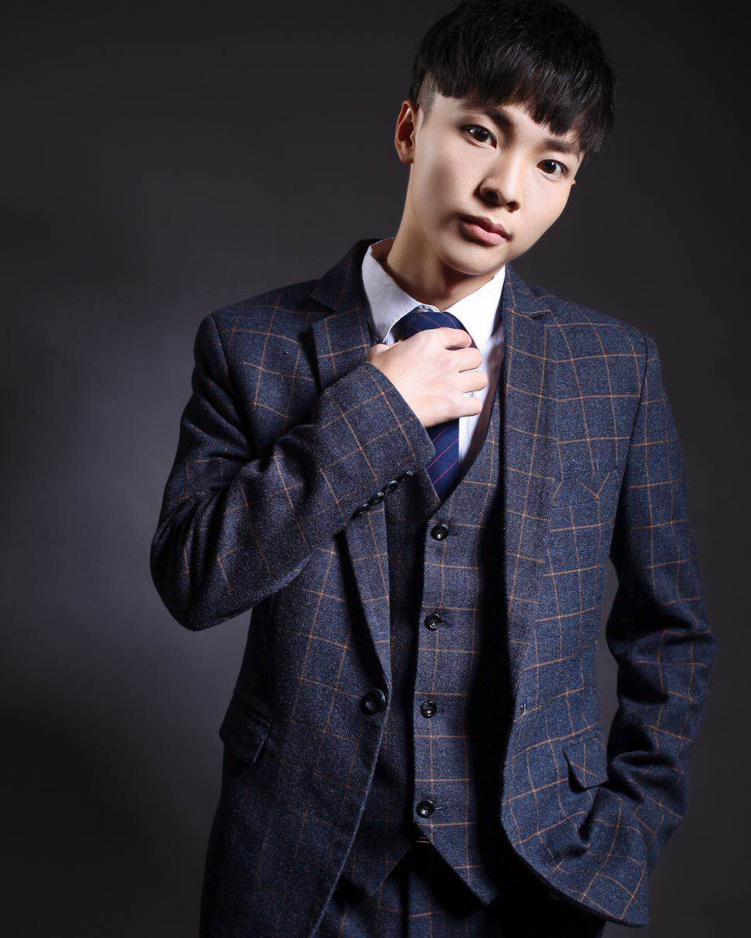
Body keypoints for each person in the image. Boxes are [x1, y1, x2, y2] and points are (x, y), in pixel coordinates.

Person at [149, 1, 718, 935]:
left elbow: (671, 632)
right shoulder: (250, 345)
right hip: (301, 875)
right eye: (481, 133)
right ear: (411, 129)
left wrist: (626, 832)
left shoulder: (613, 369)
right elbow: (194, 581)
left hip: (530, 881)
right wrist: (371, 411)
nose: (505, 188)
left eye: (551, 163)